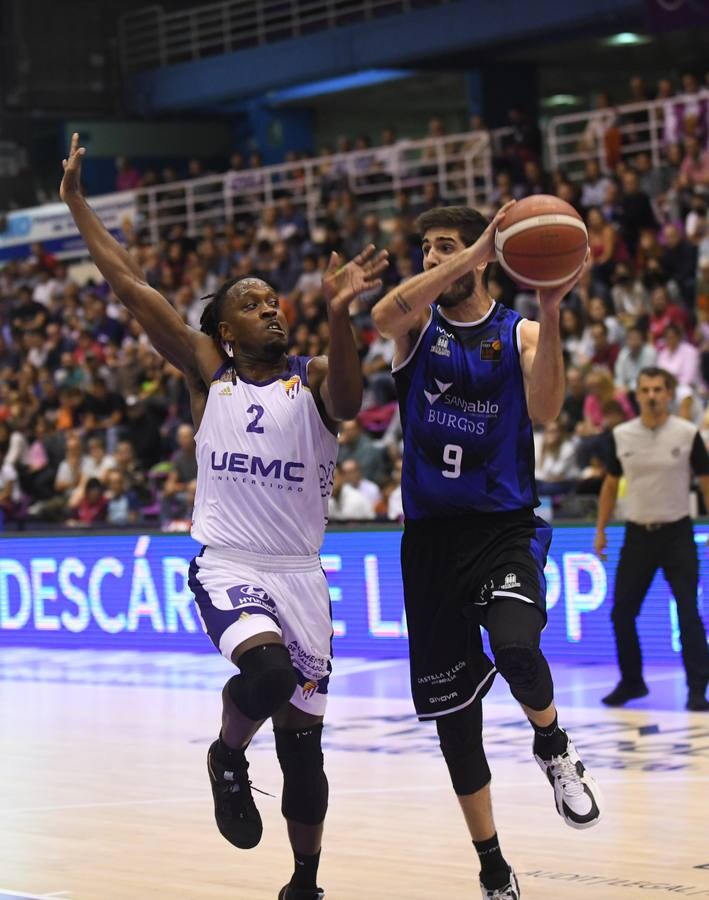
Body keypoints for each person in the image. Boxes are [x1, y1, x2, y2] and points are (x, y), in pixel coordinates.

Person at [60, 132, 388, 900]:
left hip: (301, 575)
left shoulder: (311, 382)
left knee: (305, 756)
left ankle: (303, 882)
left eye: (274, 300)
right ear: (223, 332)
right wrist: (77, 203)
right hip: (230, 562)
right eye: (250, 303)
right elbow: (130, 283)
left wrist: (341, 315)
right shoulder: (208, 375)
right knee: (267, 671)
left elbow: (350, 401)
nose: (269, 308)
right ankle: (226, 756)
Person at [371, 204, 601, 900]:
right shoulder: (414, 329)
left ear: (486, 255)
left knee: (517, 646)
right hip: (430, 543)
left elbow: (547, 411)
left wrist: (553, 308)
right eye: (427, 251)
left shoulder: (519, 330)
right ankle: (492, 865)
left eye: (448, 248)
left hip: (502, 527)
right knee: (455, 724)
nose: (434, 261)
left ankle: (553, 744)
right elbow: (380, 318)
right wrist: (469, 253)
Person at [594, 367, 709, 712]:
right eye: (645, 390)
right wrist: (600, 529)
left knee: (688, 612)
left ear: (670, 393)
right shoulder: (622, 435)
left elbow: (705, 481)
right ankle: (632, 682)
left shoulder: (688, 433)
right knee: (621, 613)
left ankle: (696, 690)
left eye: (659, 389)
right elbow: (611, 484)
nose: (652, 396)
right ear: (637, 395)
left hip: (677, 532)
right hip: (637, 534)